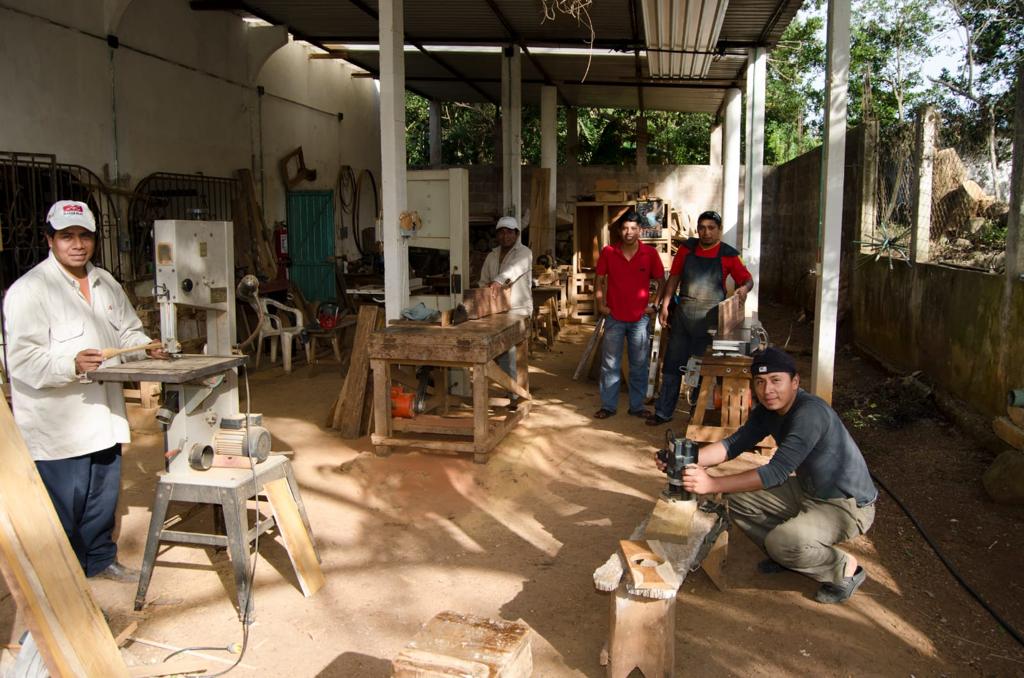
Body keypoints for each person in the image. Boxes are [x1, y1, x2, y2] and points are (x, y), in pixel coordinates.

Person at [4, 200, 168, 583]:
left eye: (84, 236)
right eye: (66, 236)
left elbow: (127, 330)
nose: (77, 244)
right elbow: (23, 362)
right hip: (59, 425)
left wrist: (145, 346)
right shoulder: (30, 290)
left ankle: (99, 560)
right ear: (50, 240)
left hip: (103, 418)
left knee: (102, 499)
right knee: (65, 505)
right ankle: (66, 579)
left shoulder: (105, 282)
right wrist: (70, 364)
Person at [671, 347, 877, 604]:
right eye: (760, 382)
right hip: (807, 489)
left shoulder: (809, 413)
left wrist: (712, 483)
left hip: (846, 504)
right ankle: (785, 552)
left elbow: (776, 472)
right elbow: (732, 445)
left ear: (795, 382)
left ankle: (845, 568)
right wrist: (685, 459)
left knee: (784, 542)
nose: (767, 390)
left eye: (776, 381)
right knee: (737, 500)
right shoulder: (768, 411)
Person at [647, 210, 753, 426]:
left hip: (709, 321)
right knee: (672, 365)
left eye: (711, 228)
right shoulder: (687, 249)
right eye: (702, 227)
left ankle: (696, 414)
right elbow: (674, 277)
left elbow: (747, 280)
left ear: (719, 230)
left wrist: (744, 289)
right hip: (683, 315)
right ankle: (664, 411)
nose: (706, 232)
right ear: (698, 229)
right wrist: (666, 305)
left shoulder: (729, 254)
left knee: (700, 367)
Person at [593, 211, 665, 419]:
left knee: (639, 364)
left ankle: (636, 406)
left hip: (639, 320)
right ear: (619, 230)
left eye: (633, 228)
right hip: (614, 317)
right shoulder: (608, 252)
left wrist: (654, 304)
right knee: (610, 364)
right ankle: (608, 406)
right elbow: (599, 280)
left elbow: (661, 281)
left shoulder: (649, 254)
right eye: (625, 228)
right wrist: (600, 305)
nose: (629, 232)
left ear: (640, 230)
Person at [478, 215, 533, 409]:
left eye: (509, 232)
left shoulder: (525, 253)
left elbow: (513, 271)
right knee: (495, 350)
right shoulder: (492, 255)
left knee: (509, 351)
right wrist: (484, 292)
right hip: (496, 312)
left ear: (516, 234)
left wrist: (498, 281)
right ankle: (511, 388)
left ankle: (514, 395)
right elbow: (483, 280)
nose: (505, 236)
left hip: (518, 311)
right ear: (497, 235)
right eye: (501, 232)